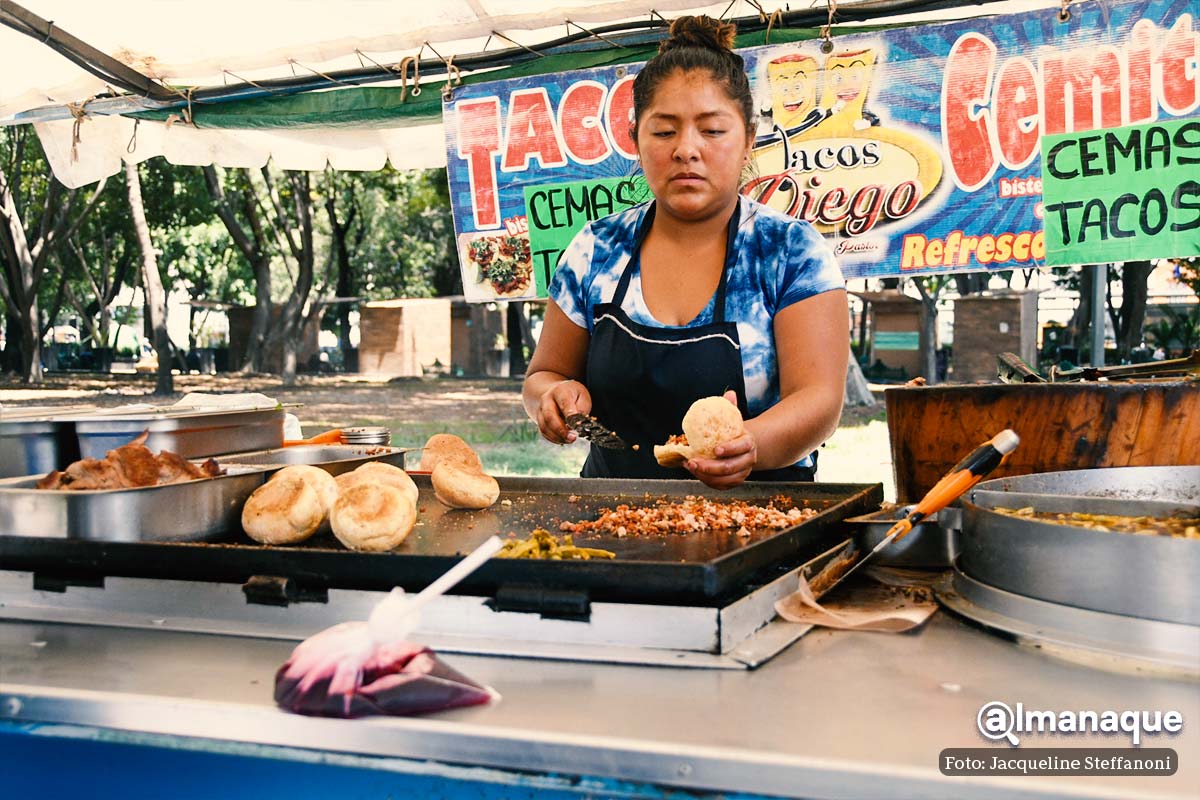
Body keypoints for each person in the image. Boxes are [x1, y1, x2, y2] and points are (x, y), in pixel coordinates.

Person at [523, 15, 849, 489]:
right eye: (664, 131)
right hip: (611, 517)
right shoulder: (596, 249)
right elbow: (543, 374)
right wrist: (551, 396)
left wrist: (750, 443)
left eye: (712, 131)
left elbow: (819, 399)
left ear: (748, 141)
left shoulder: (791, 251)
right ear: (636, 140)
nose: (686, 150)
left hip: (764, 521)